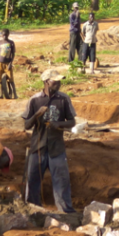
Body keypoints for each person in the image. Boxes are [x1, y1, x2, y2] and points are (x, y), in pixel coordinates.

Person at [21, 69, 77, 213]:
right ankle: (33, 210)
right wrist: (36, 115)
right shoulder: (35, 100)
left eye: (59, 81)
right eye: (55, 81)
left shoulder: (63, 99)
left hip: (56, 148)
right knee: (33, 180)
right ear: (46, 82)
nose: (59, 83)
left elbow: (72, 122)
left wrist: (59, 124)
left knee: (61, 181)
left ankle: (65, 211)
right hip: (37, 147)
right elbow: (26, 125)